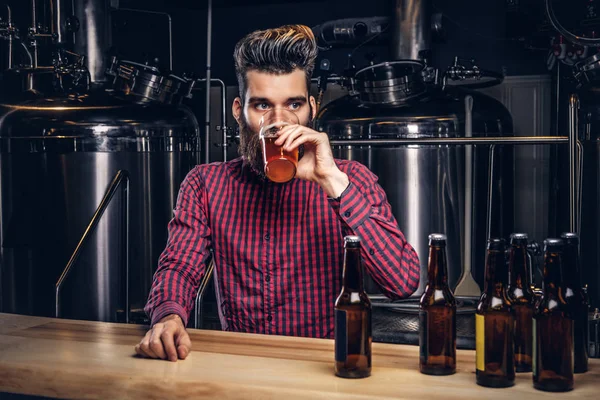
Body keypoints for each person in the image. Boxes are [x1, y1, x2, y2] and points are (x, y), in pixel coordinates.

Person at [134, 24, 420, 362]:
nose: (279, 120)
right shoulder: (205, 184)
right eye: (262, 106)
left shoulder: (350, 179)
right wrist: (169, 317)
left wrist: (333, 182)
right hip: (245, 367)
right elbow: (180, 265)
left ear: (313, 108)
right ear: (239, 110)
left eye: (294, 104)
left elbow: (402, 282)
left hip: (327, 368)